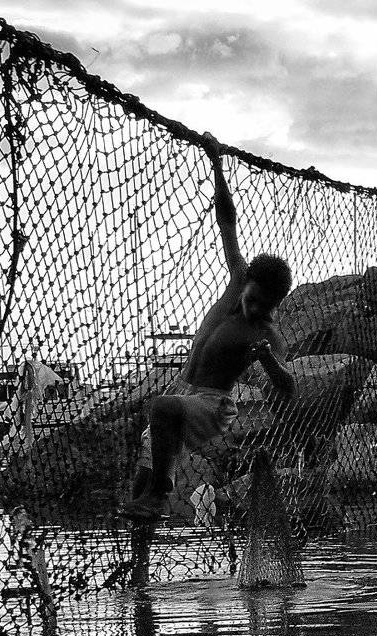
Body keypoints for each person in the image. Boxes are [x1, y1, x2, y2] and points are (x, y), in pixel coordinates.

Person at [119, 134, 295, 522]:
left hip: (213, 406)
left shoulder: (268, 334)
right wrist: (217, 164)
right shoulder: (239, 278)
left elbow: (289, 387)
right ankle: (143, 541)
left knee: (162, 409)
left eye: (263, 306)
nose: (252, 308)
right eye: (251, 298)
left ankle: (162, 495)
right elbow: (227, 221)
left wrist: (267, 361)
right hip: (183, 391)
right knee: (139, 486)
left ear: (275, 303)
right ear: (247, 282)